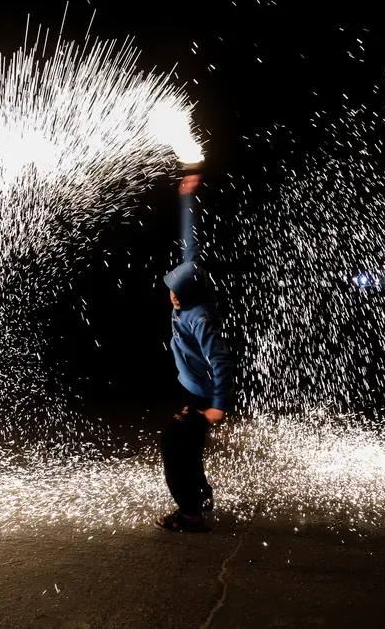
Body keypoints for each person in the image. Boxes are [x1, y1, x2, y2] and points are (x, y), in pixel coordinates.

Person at [156, 172, 235, 532]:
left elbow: (219, 358)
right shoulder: (194, 280)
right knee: (188, 446)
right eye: (171, 289)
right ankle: (200, 495)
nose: (172, 297)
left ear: (189, 295)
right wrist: (188, 199)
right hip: (192, 385)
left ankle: (190, 513)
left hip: (202, 392)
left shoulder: (200, 318)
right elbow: (191, 247)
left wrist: (218, 402)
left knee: (174, 444)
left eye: (177, 293)